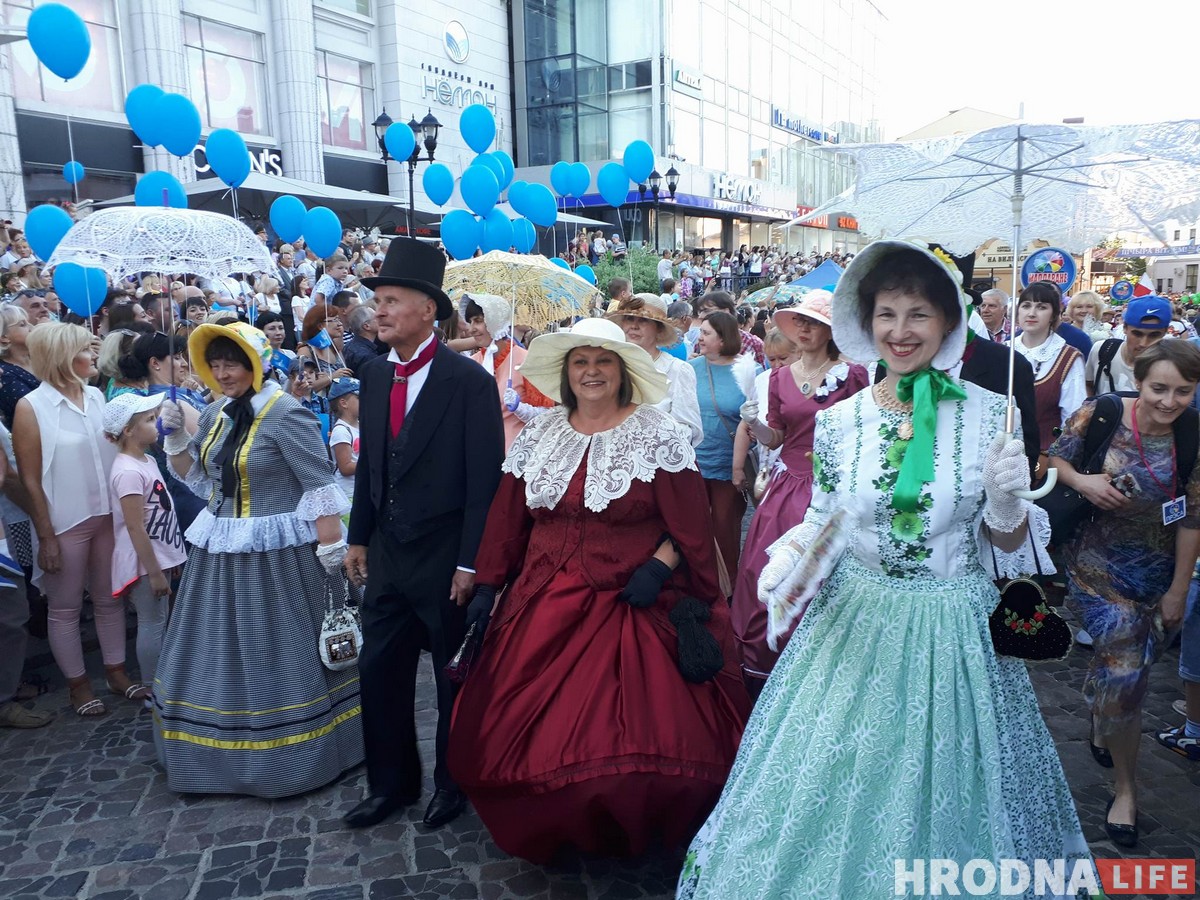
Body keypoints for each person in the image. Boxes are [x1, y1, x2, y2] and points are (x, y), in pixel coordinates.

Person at [679, 241, 1089, 898]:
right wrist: (788, 561)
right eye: (888, 314)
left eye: (919, 314)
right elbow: (827, 520)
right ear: (868, 323)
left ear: (949, 322)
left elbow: (1010, 555)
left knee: (943, 786)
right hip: (852, 625)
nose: (901, 331)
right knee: (836, 777)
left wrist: (1009, 502)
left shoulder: (993, 413)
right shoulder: (842, 422)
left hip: (952, 631)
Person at [447, 317, 750, 863]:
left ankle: (635, 830)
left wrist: (660, 569)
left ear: (623, 371)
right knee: (518, 726)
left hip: (631, 594)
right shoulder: (540, 434)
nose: (591, 372)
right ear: (566, 374)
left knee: (641, 733)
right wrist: (490, 583)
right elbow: (508, 518)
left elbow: (690, 524)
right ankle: (558, 828)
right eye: (580, 363)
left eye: (603, 361)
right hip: (543, 593)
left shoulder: (657, 432)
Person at [156, 321, 360, 797]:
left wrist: (331, 550)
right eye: (216, 364)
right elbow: (201, 481)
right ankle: (216, 754)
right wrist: (173, 440)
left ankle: (303, 753)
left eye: (233, 363)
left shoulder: (286, 413)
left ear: (255, 364)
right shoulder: (213, 414)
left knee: (283, 647)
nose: (224, 373)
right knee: (220, 647)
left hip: (282, 555)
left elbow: (318, 483)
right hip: (221, 551)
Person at [342, 238, 505, 830]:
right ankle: (390, 784)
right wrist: (358, 537)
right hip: (387, 555)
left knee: (449, 676)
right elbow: (371, 469)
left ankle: (451, 784)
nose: (378, 311)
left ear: (426, 311)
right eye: (377, 300)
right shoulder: (375, 377)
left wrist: (471, 562)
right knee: (378, 671)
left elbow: (485, 483)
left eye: (391, 300)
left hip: (445, 559)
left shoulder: (468, 382)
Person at [1049, 339, 1200, 847]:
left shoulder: (1194, 433)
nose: (1169, 400)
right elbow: (1050, 462)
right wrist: (1086, 482)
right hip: (1096, 567)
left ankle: (1100, 709)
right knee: (1127, 673)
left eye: (1183, 390)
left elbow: (1193, 520)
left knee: (1125, 670)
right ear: (1140, 379)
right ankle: (1126, 791)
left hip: (1159, 573)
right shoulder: (1103, 412)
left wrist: (1179, 589)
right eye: (1159, 388)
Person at [731, 291, 869, 694]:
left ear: (830, 330)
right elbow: (776, 439)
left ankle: (823, 666)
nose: (805, 329)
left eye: (814, 322)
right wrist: (754, 426)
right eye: (800, 322)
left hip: (834, 487)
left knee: (828, 579)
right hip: (786, 489)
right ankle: (765, 661)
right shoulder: (776, 378)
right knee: (765, 572)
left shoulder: (854, 375)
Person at [13, 323, 142, 717]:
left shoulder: (97, 396)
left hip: (107, 514)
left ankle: (116, 673)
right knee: (65, 608)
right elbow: (30, 479)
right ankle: (78, 686)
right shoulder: (31, 407)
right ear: (65, 358)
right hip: (65, 521)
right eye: (87, 349)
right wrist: (45, 535)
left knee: (109, 600)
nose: (95, 354)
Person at [104, 392, 187, 700]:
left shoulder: (148, 459)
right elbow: (135, 525)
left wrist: (171, 556)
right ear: (128, 430)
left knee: (162, 620)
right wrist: (153, 572)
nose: (158, 425)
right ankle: (155, 688)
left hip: (160, 557)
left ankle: (166, 681)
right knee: (152, 623)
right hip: (144, 562)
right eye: (150, 420)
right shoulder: (127, 471)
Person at [688, 310, 756, 584]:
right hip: (692, 464)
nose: (699, 338)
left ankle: (728, 593)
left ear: (723, 339)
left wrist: (739, 466)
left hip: (729, 467)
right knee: (694, 531)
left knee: (725, 532)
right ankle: (698, 585)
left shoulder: (748, 370)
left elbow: (753, 420)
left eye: (706, 333)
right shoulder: (690, 369)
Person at [462, 294, 554, 450]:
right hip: (475, 451)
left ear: (495, 321)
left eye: (478, 321)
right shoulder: (472, 363)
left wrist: (520, 409)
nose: (471, 329)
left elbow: (547, 417)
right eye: (470, 322)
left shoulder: (527, 361)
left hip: (514, 456)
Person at [610, 293, 703, 446]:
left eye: (644, 320)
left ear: (659, 330)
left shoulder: (677, 370)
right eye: (629, 318)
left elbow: (689, 430)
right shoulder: (611, 365)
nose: (634, 326)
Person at [1007, 282, 1086, 456]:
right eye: (1026, 306)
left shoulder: (1068, 357)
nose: (1032, 313)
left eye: (1041, 307)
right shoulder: (1003, 351)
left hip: (1045, 456)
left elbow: (1073, 420)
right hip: (1001, 453)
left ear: (1053, 315)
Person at [1087, 296, 1171, 395]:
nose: (1144, 343)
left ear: (1165, 332)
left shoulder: (1171, 366)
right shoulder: (1102, 350)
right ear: (1125, 328)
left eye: (1154, 335)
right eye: (1137, 334)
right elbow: (1088, 384)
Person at [0, 306, 40, 429]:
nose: (32, 327)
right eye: (23, 324)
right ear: (4, 337)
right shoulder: (4, 373)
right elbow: (35, 409)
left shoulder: (40, 359)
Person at [327, 377, 360, 502]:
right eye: (359, 398)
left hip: (361, 490)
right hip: (348, 495)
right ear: (343, 403)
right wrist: (372, 463)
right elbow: (345, 468)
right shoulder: (341, 431)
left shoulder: (361, 425)